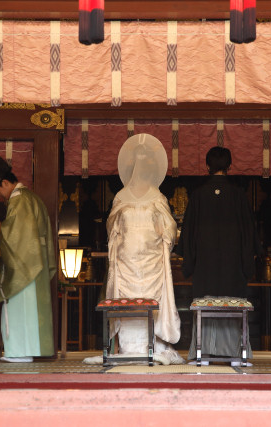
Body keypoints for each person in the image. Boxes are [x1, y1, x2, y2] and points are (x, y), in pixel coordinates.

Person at [90, 133, 183, 365]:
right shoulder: (121, 196)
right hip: (126, 259)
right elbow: (111, 224)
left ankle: (154, 345)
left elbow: (169, 225)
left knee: (152, 300)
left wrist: (165, 235)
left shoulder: (157, 196)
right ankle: (127, 346)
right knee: (127, 299)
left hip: (152, 260)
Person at [176, 146, 260, 365]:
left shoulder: (197, 196)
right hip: (233, 269)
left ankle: (202, 354)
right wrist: (247, 264)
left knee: (206, 302)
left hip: (205, 268)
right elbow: (249, 234)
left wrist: (190, 261)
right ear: (230, 167)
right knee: (233, 303)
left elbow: (187, 235)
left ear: (207, 167)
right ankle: (236, 354)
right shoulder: (239, 196)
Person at [0, 154, 55, 363]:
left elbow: (16, 235)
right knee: (31, 308)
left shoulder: (19, 199)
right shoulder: (32, 197)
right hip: (35, 261)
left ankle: (21, 351)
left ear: (4, 182)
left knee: (21, 307)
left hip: (26, 265)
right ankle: (28, 349)